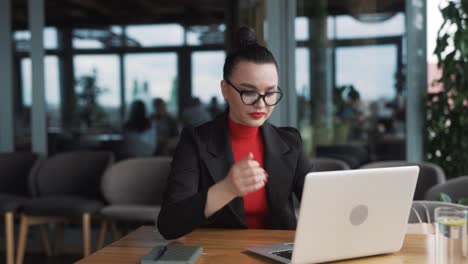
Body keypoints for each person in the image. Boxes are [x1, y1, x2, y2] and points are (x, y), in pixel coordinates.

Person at [157, 26, 313, 240]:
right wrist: (227, 189)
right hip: (219, 254)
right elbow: (169, 224)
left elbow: (318, 205)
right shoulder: (196, 141)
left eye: (270, 93)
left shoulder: (290, 141)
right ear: (225, 90)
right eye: (249, 92)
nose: (261, 104)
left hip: (278, 253)